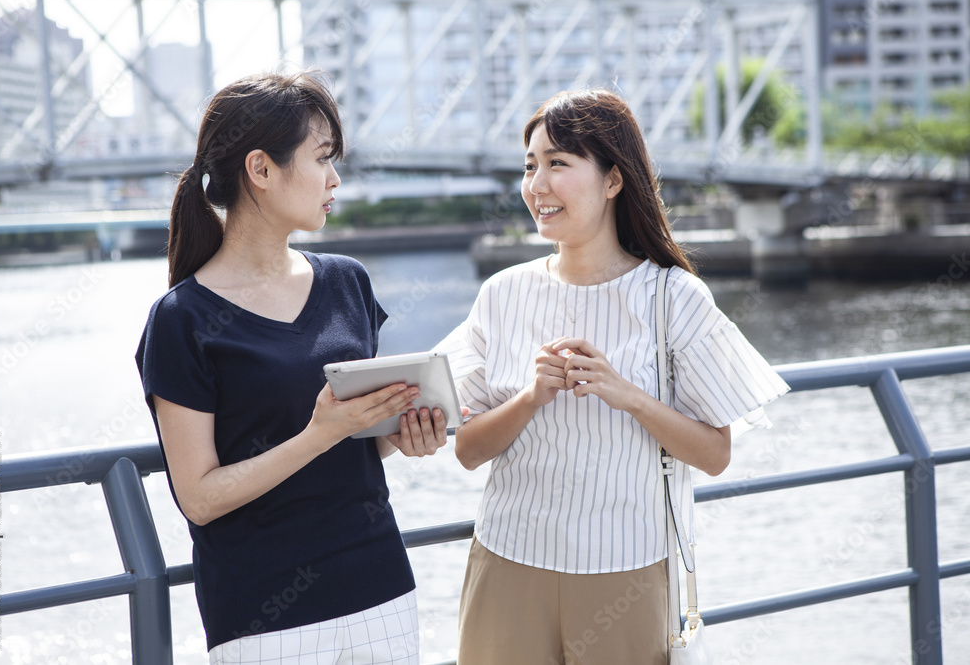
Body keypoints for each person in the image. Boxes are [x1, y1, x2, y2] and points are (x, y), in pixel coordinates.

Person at [437, 89, 790, 664]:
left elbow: (716, 454)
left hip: (624, 572)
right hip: (507, 560)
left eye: (558, 163)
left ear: (613, 181)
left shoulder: (673, 296)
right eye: (530, 166)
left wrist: (627, 395)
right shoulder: (502, 294)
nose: (537, 185)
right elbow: (468, 452)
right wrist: (530, 397)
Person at [135, 71, 449, 664]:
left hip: (380, 587)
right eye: (322, 158)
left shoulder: (346, 282)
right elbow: (199, 497)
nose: (335, 180)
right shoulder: (182, 320)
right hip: (262, 618)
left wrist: (400, 434)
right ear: (261, 169)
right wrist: (319, 433)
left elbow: (357, 442)